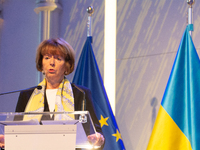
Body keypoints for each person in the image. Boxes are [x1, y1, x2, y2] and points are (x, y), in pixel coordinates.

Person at [0, 38, 104, 149]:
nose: (52, 63)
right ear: (41, 64)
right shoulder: (27, 95)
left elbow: (96, 132)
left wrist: (98, 139)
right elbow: (16, 132)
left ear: (67, 66)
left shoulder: (80, 93)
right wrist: (8, 141)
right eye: (47, 58)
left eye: (58, 58)